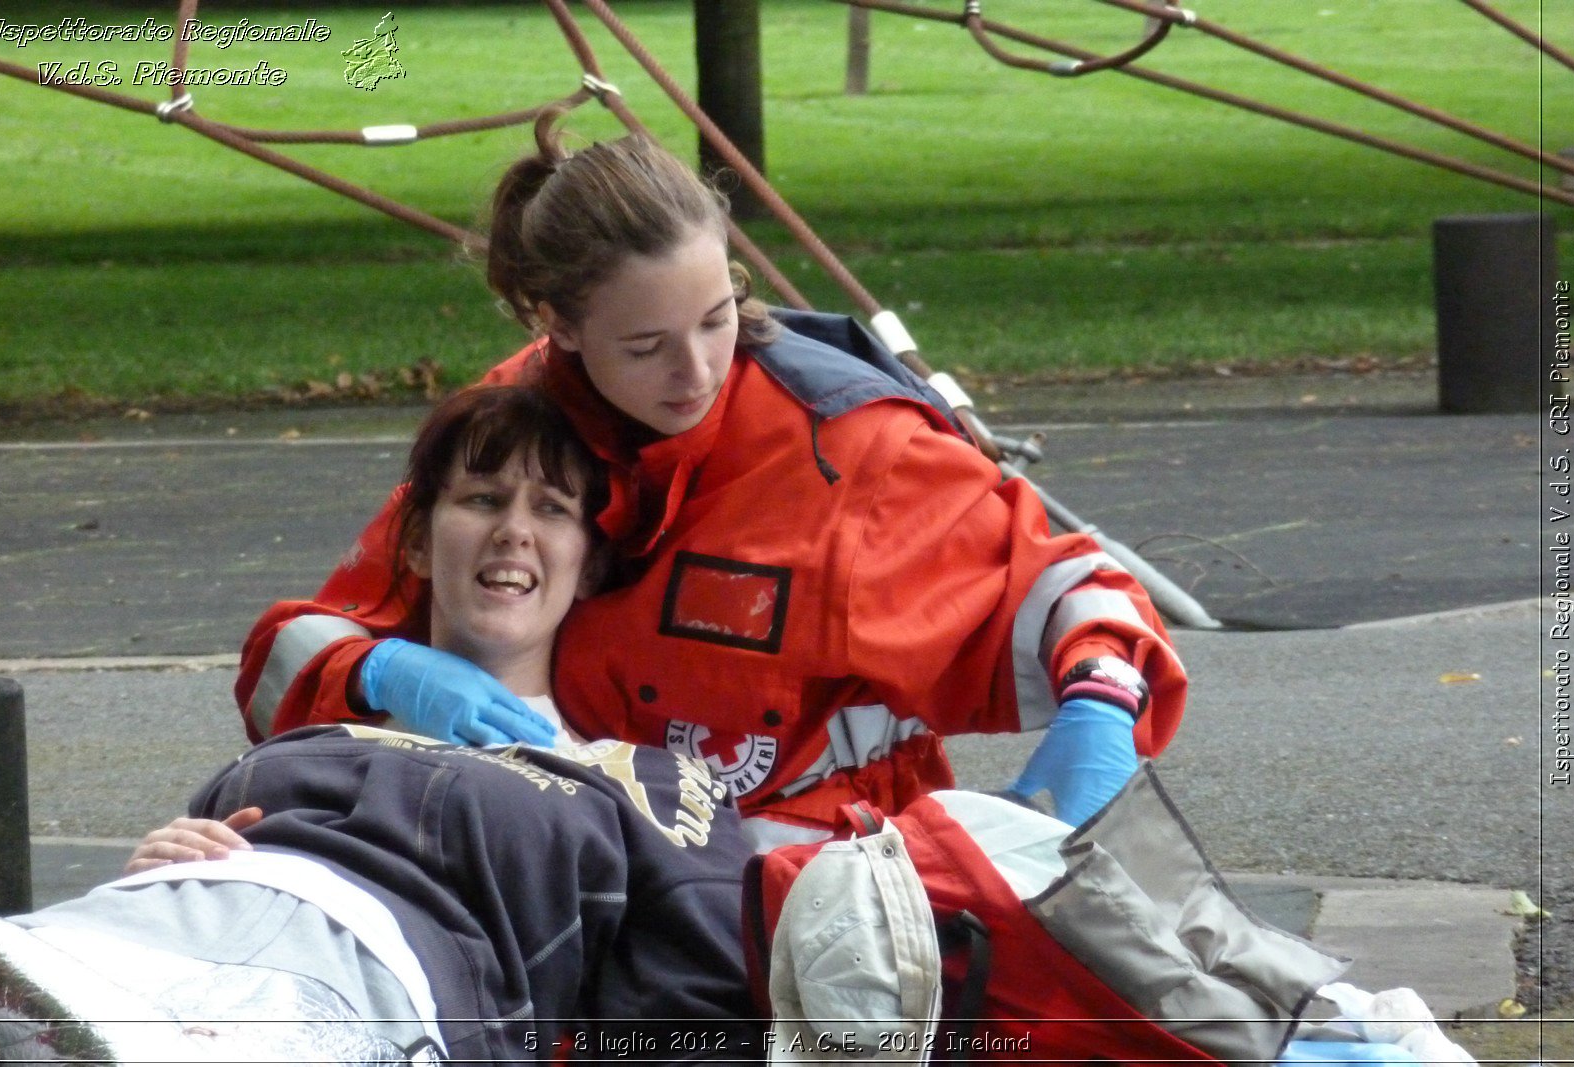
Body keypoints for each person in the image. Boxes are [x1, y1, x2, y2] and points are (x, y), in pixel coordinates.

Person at [236, 106, 1190, 847]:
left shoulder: (849, 446)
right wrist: (380, 669)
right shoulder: (510, 435)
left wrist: (1103, 708)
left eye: (717, 316)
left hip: (820, 890)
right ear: (556, 327)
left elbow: (1077, 593)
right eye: (646, 345)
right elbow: (294, 660)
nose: (695, 373)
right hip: (571, 873)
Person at [0, 386, 760, 1065]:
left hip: (374, 983)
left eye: (551, 508)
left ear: (587, 564)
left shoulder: (629, 777)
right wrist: (163, 854)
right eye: (483, 498)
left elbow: (692, 1016)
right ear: (418, 541)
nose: (514, 529)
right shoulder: (326, 725)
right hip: (151, 930)